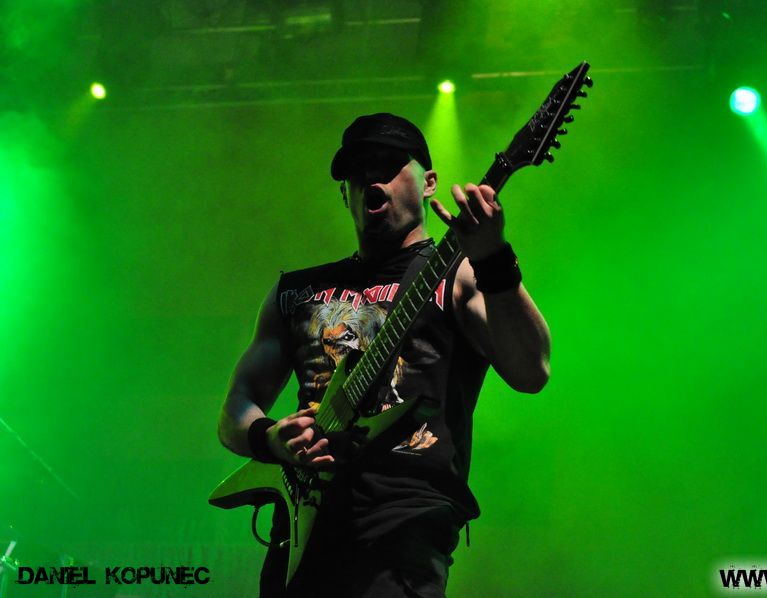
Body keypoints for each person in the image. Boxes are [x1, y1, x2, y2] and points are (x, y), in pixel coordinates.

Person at [217, 113, 551, 597]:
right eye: (358, 172)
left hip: (404, 526)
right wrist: (269, 437)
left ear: (429, 182)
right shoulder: (296, 292)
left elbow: (531, 371)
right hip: (301, 530)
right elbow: (236, 405)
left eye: (390, 164)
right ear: (344, 194)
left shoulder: (459, 275)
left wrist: (494, 258)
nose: (372, 177)